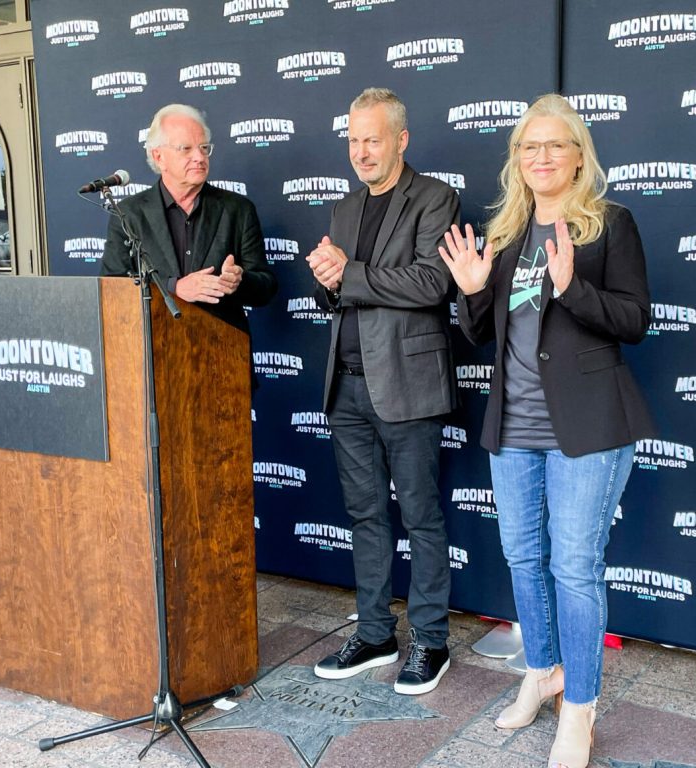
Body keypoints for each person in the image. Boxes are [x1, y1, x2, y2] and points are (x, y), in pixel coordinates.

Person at [438, 94, 655, 768]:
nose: (541, 157)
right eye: (529, 146)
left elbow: (635, 320)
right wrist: (472, 288)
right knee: (523, 557)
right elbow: (481, 334)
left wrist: (571, 287)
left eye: (555, 144)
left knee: (575, 567)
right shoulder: (505, 231)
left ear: (578, 156)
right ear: (517, 159)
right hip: (515, 427)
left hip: (587, 428)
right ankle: (542, 671)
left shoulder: (609, 224)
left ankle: (580, 709)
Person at [306, 88, 460, 695]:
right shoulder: (344, 207)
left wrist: (348, 273)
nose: (361, 151)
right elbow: (340, 294)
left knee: (420, 515)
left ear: (401, 140)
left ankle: (430, 641)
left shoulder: (435, 198)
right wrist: (326, 279)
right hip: (346, 386)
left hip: (406, 385)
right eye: (353, 140)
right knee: (365, 515)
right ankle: (374, 634)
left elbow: (431, 283)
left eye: (372, 139)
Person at [101, 103, 277, 331]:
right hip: (154, 341)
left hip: (223, 345)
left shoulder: (238, 209)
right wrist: (173, 287)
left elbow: (266, 288)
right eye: (186, 148)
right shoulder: (128, 213)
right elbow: (112, 288)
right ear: (159, 156)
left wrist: (239, 281)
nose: (199, 157)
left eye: (204, 148)